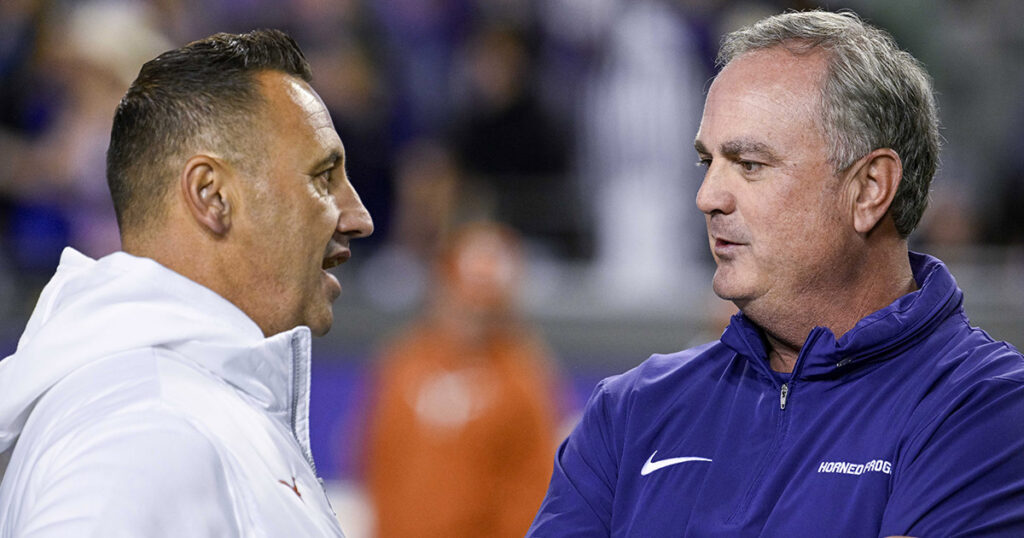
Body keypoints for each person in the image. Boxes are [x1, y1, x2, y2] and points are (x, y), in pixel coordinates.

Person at [528, 10, 1024, 537]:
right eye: (707, 162)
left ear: (870, 189)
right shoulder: (628, 413)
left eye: (749, 164)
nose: (707, 198)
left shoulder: (986, 410)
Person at [0, 29, 373, 536]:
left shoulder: (182, 402)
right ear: (211, 196)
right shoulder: (145, 426)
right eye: (323, 177)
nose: (358, 218)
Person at [362, 222, 561, 538]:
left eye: (486, 301)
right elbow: (377, 463)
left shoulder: (522, 378)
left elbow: (531, 490)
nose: (472, 311)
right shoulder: (403, 362)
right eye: (464, 292)